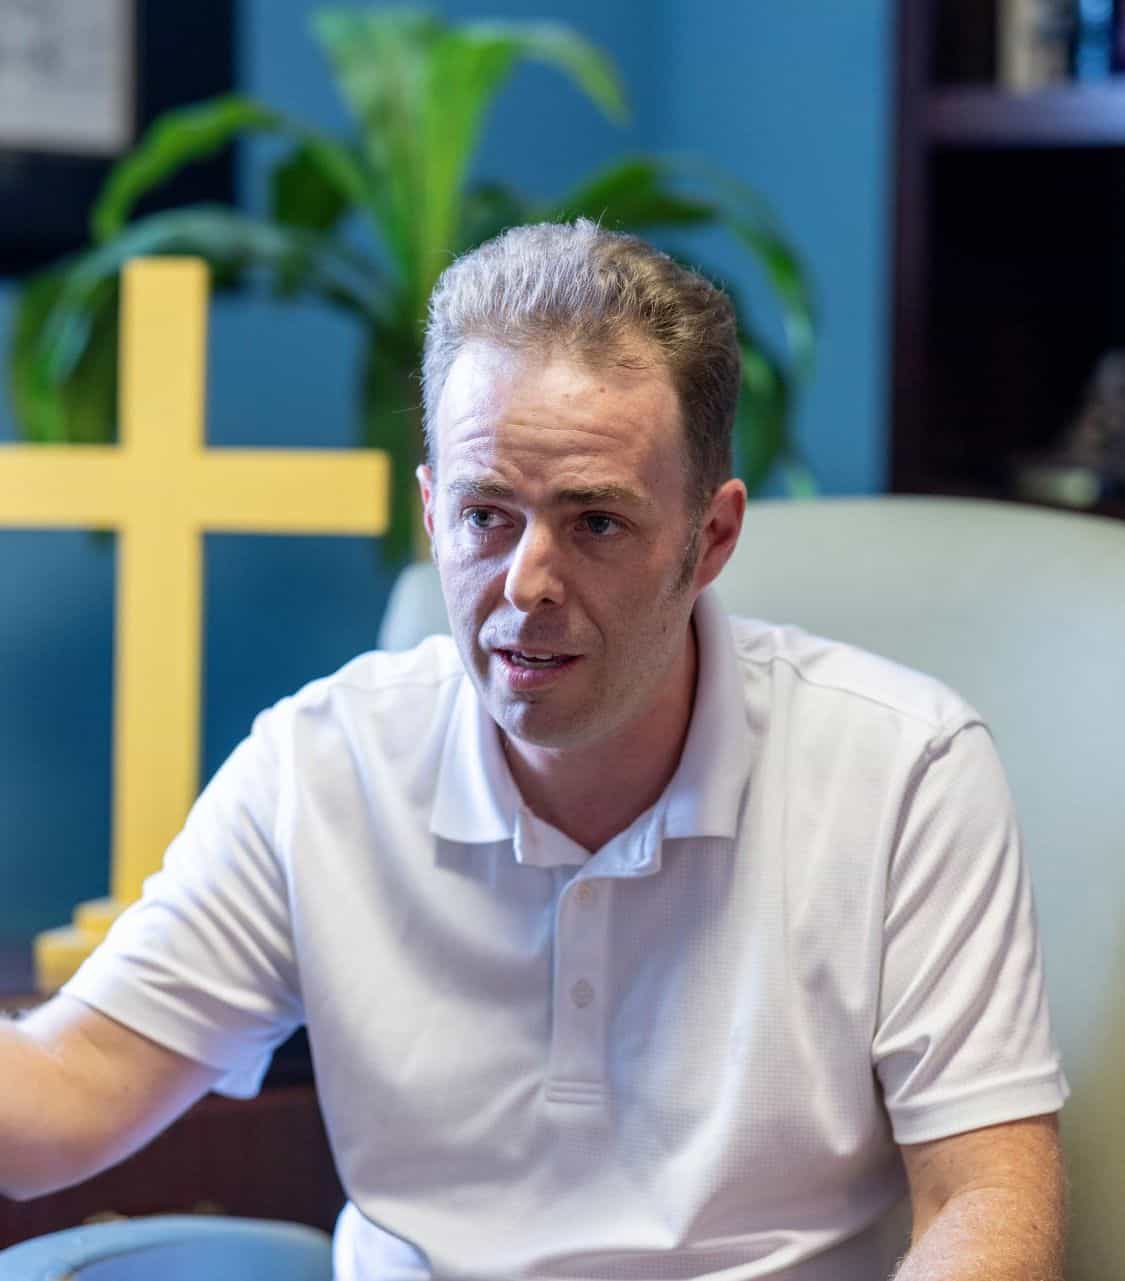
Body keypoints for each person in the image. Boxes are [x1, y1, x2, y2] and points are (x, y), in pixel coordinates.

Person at [1, 220, 1068, 1280]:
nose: (527, 586)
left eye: (595, 522)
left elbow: (986, 1199)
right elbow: (68, 1091)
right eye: (486, 516)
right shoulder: (321, 764)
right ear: (431, 513)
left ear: (712, 538)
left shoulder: (906, 769)